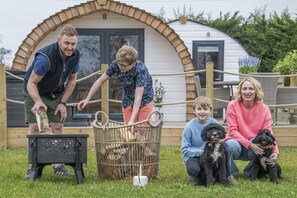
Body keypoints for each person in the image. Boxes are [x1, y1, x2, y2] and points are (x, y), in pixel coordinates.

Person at [23, 24, 80, 177]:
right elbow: (31, 83)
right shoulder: (45, 58)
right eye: (66, 43)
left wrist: (62, 103)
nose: (70, 47)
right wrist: (37, 101)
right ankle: (33, 167)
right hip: (34, 92)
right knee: (35, 127)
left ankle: (58, 166)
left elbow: (72, 81)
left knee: (57, 126)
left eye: (73, 44)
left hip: (55, 94)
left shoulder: (75, 56)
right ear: (59, 40)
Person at [77, 45, 154, 125]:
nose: (120, 67)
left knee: (143, 129)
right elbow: (100, 81)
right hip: (128, 98)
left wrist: (132, 120)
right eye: (119, 64)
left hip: (144, 99)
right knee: (129, 130)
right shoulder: (116, 65)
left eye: (123, 65)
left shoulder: (141, 70)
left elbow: (138, 97)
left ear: (132, 64)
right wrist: (87, 99)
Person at [224, 77, 279, 178]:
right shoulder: (232, 105)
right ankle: (231, 173)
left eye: (251, 89)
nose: (247, 92)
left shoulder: (264, 108)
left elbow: (268, 133)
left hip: (255, 146)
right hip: (237, 143)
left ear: (256, 91)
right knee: (228, 145)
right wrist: (249, 144)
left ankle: (250, 172)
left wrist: (275, 152)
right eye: (244, 89)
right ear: (240, 91)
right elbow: (232, 131)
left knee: (257, 141)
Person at [181, 96, 237, 185]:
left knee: (226, 147)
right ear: (194, 111)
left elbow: (220, 136)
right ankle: (196, 176)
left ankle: (228, 175)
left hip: (211, 152)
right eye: (199, 109)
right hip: (194, 155)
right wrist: (200, 152)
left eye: (205, 109)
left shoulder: (213, 122)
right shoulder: (189, 127)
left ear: (210, 110)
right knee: (193, 169)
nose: (202, 112)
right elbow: (185, 149)